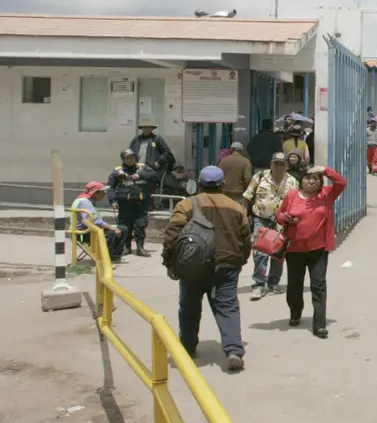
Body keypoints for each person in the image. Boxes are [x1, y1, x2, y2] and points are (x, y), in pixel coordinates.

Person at [162, 166, 252, 372]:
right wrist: (241, 261)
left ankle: (187, 348)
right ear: (223, 184)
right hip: (227, 264)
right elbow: (246, 239)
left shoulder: (186, 204)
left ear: (199, 183)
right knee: (228, 307)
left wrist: (169, 262)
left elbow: (172, 235)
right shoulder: (236, 207)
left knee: (189, 307)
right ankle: (234, 351)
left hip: (193, 265)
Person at [276, 165, 348, 339]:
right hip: (294, 249)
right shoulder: (292, 196)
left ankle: (319, 325)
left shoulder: (326, 195)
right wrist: (285, 218)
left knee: (318, 285)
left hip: (318, 250)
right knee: (295, 285)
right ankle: (295, 312)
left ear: (320, 182)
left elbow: (341, 183)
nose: (311, 181)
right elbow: (279, 213)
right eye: (308, 178)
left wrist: (325, 170)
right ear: (301, 181)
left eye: (315, 179)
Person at [243, 153, 298, 300]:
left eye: (282, 164)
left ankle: (274, 282)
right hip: (261, 219)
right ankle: (259, 284)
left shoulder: (292, 182)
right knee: (260, 252)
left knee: (278, 253)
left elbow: (296, 202)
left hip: (282, 222)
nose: (279, 167)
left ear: (287, 166)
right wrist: (244, 216)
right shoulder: (259, 177)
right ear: (271, 164)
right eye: (276, 164)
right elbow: (247, 197)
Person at [108, 148, 158, 257]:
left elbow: (155, 176)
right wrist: (113, 201)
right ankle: (127, 248)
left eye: (132, 157)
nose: (131, 159)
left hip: (140, 202)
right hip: (124, 203)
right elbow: (111, 187)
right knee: (125, 225)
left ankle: (140, 248)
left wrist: (141, 175)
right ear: (123, 159)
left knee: (140, 225)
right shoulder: (117, 171)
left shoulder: (143, 167)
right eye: (128, 158)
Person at [72, 181, 126, 262]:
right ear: (95, 193)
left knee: (123, 229)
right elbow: (94, 221)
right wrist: (112, 228)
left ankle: (114, 256)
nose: (104, 194)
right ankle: (104, 260)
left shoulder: (88, 201)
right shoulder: (85, 202)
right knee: (111, 233)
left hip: (91, 229)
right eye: (102, 192)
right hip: (83, 233)